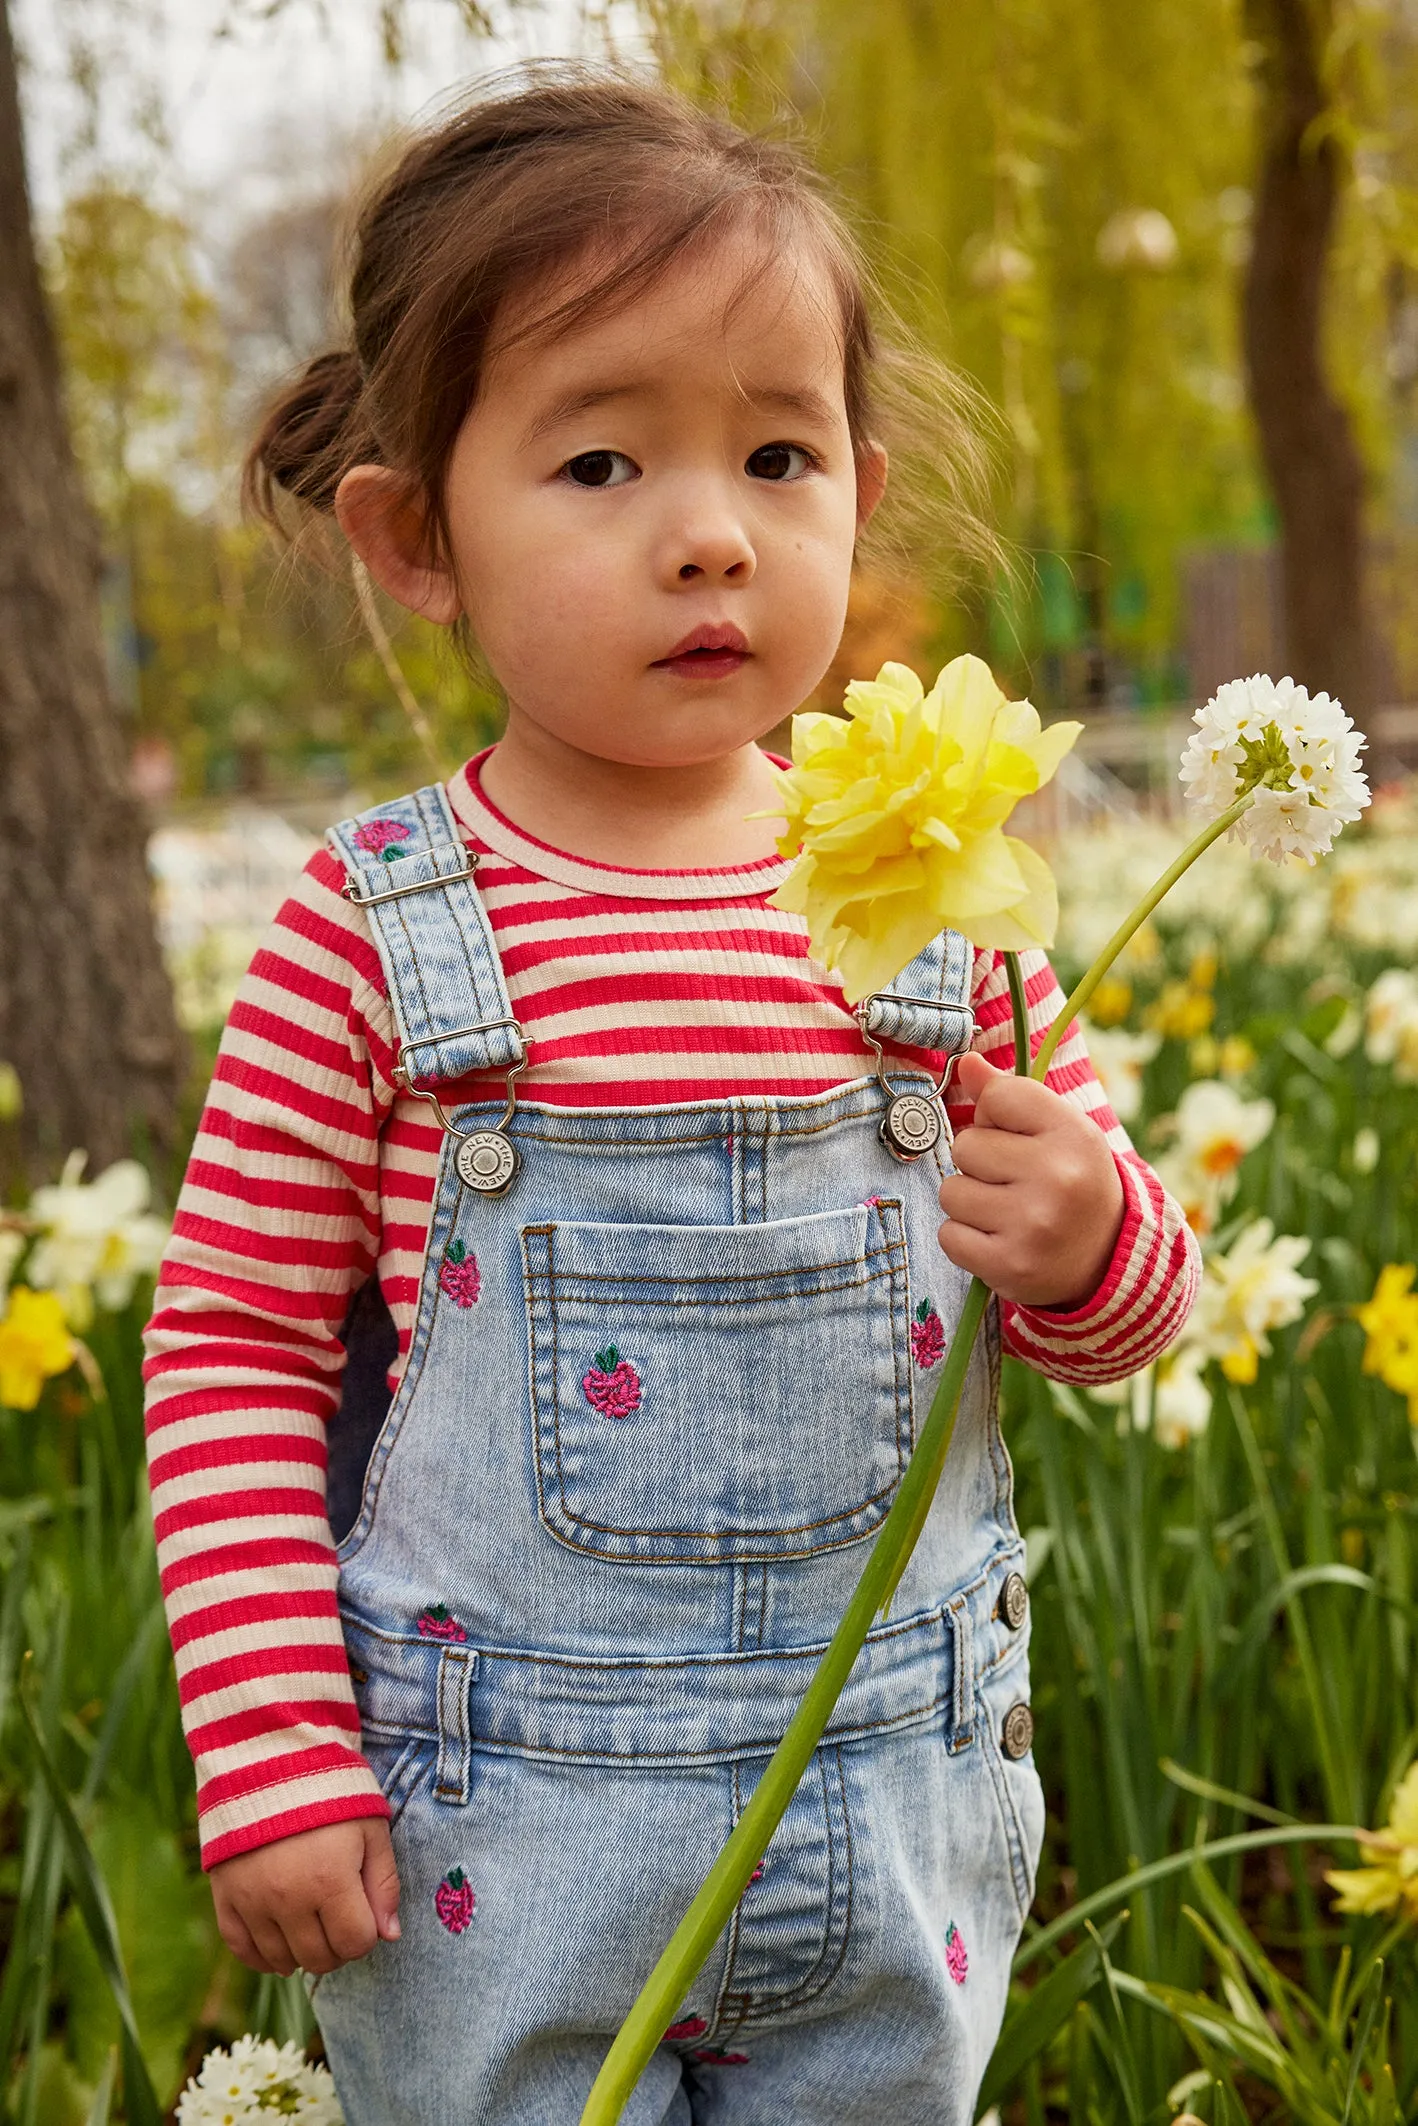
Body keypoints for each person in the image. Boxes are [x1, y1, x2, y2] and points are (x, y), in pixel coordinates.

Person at [143, 67, 1199, 2126]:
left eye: (776, 454)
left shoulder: (929, 884)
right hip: (491, 1855)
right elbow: (236, 1349)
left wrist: (1088, 1235)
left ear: (858, 494)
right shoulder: (369, 928)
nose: (710, 531)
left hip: (892, 1808)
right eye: (603, 459)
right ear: (414, 536)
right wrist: (271, 1748)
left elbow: (1112, 1319)